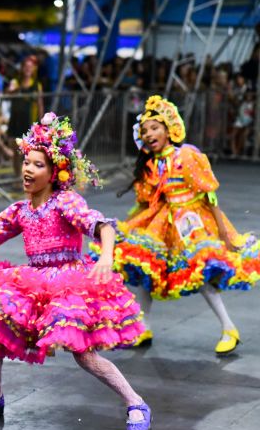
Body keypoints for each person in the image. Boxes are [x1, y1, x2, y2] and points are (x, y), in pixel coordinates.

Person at [0, 112, 151, 430]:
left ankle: (136, 402)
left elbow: (102, 225)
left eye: (38, 164)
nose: (28, 169)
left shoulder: (65, 202)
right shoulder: (19, 210)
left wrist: (107, 256)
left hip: (68, 285)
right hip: (32, 283)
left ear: (55, 172)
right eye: (26, 161)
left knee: (84, 356)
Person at [93, 96, 260, 354]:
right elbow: (147, 201)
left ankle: (229, 328)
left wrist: (225, 232)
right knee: (146, 271)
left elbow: (209, 195)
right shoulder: (151, 165)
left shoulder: (187, 156)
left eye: (154, 128)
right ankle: (143, 328)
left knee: (200, 272)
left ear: (169, 128)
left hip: (192, 222)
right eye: (144, 131)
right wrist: (126, 228)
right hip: (161, 223)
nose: (149, 134)